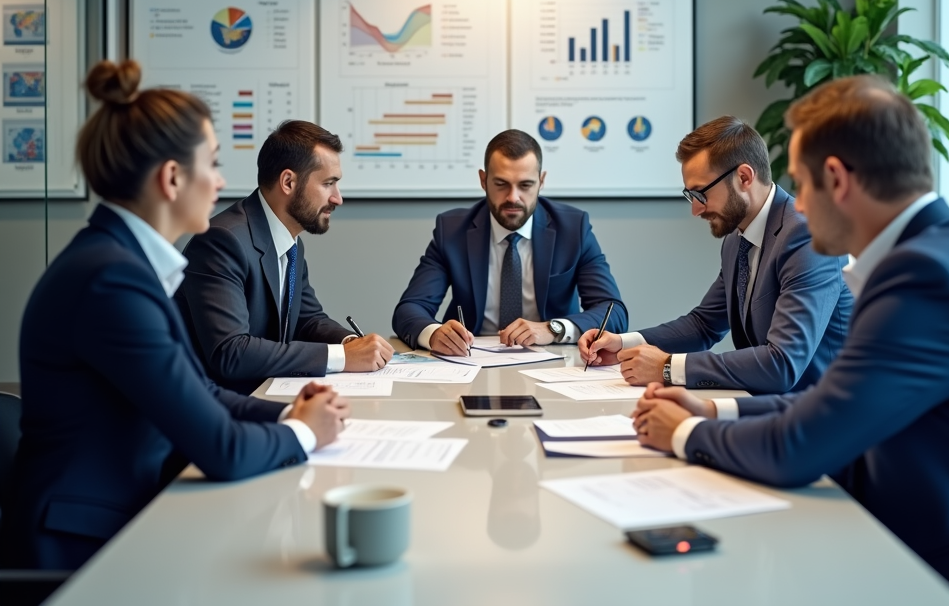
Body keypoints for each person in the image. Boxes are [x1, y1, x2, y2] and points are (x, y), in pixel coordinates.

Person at [632, 76, 949, 606]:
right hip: (900, 541)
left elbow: (801, 446)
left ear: (837, 179)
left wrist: (686, 432)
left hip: (942, 573)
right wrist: (714, 410)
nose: (799, 204)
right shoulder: (945, 252)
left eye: (804, 183)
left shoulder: (925, 280)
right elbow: (831, 404)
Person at [0, 61, 348, 570]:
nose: (221, 181)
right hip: (84, 545)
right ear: (171, 178)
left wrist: (287, 414)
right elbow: (221, 449)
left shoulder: (119, 262)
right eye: (212, 163)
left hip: (119, 514)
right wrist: (305, 432)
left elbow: (198, 393)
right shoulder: (110, 280)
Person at [579, 116, 853, 394]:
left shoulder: (809, 236)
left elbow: (782, 364)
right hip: (766, 408)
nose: (696, 210)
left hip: (823, 419)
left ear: (744, 177)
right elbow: (704, 325)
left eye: (701, 194)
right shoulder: (738, 238)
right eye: (691, 196)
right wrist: (624, 344)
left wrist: (667, 367)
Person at [176, 121, 394, 395]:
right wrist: (342, 358)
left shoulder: (290, 241)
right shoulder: (222, 241)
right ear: (288, 182)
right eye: (328, 184)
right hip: (219, 411)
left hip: (267, 394)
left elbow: (308, 319)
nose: (337, 198)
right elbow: (231, 352)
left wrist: (350, 342)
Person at [392, 129, 626, 355]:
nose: (513, 197)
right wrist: (434, 334)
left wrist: (553, 328)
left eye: (525, 185)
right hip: (470, 362)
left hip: (555, 360)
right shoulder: (452, 230)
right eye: (501, 184)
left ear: (541, 181)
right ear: (483, 180)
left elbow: (613, 311)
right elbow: (409, 309)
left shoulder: (573, 229)